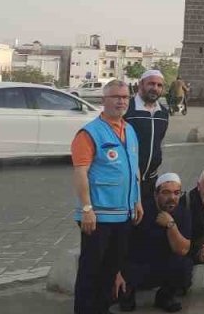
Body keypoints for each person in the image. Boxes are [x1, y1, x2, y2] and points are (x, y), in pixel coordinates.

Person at [71, 80, 143, 314]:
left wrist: (137, 200)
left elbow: (134, 169)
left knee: (111, 271)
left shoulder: (129, 130)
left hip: (123, 214)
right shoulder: (89, 133)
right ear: (103, 100)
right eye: (116, 97)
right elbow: (80, 172)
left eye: (125, 97)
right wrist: (86, 209)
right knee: (90, 271)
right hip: (98, 216)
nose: (121, 101)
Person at [120, 174, 192, 313]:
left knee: (184, 266)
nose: (172, 197)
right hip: (137, 263)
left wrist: (171, 225)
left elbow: (183, 249)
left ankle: (164, 297)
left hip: (162, 263)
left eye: (176, 193)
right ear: (156, 194)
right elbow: (121, 243)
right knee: (125, 306)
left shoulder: (183, 213)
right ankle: (128, 292)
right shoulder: (141, 211)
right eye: (166, 192)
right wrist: (118, 273)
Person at [124, 70, 171, 199]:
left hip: (151, 180)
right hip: (127, 179)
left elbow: (158, 141)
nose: (155, 88)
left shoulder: (163, 113)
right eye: (151, 84)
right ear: (141, 84)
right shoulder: (127, 109)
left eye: (159, 85)